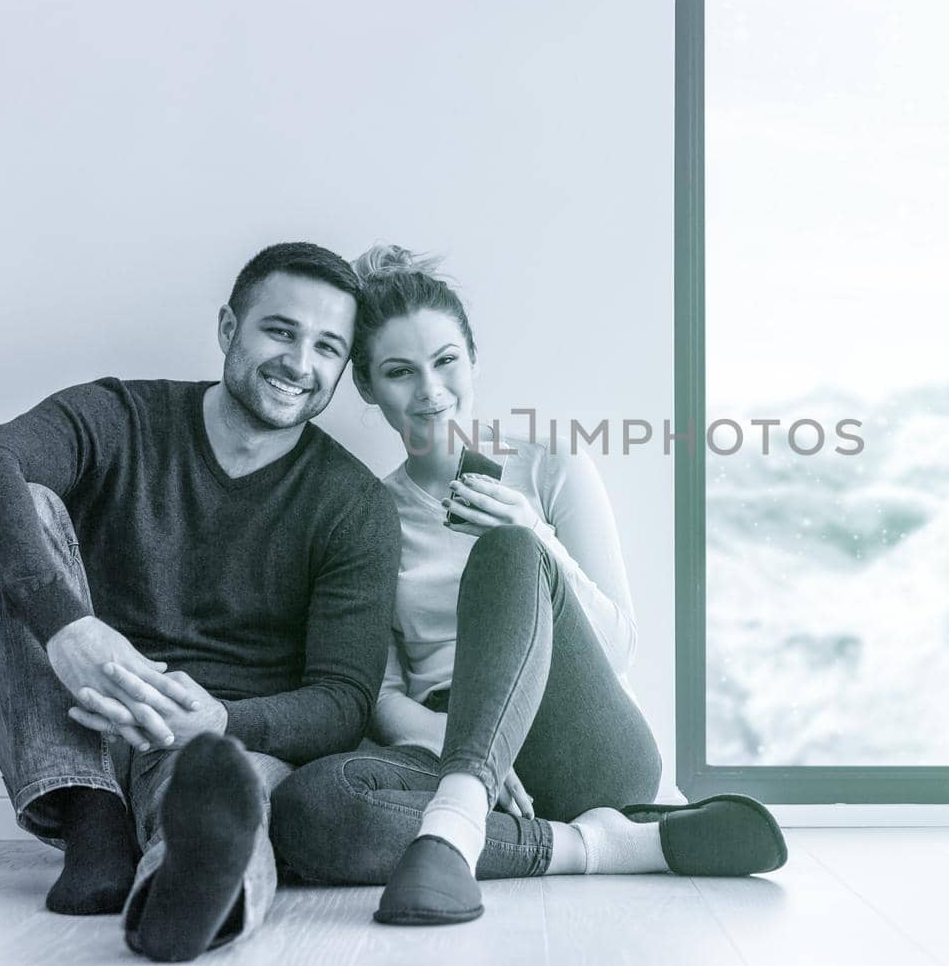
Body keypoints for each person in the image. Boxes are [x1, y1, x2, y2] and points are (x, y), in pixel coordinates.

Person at [270, 245, 786, 925]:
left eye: (446, 361)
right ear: (367, 387)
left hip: (581, 737)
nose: (430, 390)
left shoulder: (549, 465)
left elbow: (619, 647)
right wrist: (473, 753)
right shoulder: (366, 512)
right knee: (310, 809)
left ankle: (454, 823)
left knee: (508, 550)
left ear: (473, 360)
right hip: (448, 743)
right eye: (400, 372)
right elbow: (384, 695)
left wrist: (535, 536)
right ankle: (606, 844)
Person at [0, 242, 400, 962]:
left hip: (210, 739)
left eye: (327, 347)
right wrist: (69, 629)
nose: (300, 363)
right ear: (227, 327)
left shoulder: (353, 504)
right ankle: (92, 814)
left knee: (222, 808)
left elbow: (343, 699)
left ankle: (177, 896)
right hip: (76, 712)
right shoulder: (124, 414)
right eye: (280, 330)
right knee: (12, 507)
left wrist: (220, 717)